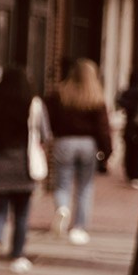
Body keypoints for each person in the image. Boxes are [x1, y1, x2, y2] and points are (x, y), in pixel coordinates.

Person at [0, 64, 45, 273]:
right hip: (23, 167)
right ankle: (18, 256)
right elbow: (44, 134)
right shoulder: (33, 104)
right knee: (22, 214)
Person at [46, 58, 112, 243]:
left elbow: (48, 116)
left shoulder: (59, 94)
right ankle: (79, 228)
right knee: (85, 187)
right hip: (88, 144)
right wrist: (107, 152)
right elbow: (103, 128)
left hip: (64, 142)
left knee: (62, 183)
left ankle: (62, 209)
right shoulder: (96, 97)